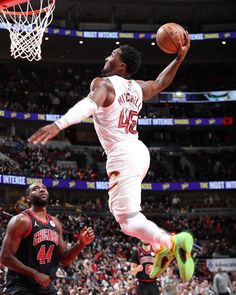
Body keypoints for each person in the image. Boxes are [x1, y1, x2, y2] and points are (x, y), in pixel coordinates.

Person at [28, 37, 194, 281]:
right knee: (129, 216)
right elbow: (160, 82)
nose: (107, 57)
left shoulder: (104, 83)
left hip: (122, 154)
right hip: (138, 151)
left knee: (127, 221)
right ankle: (160, 246)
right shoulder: (137, 87)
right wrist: (178, 59)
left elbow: (90, 104)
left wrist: (59, 124)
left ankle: (170, 241)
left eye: (113, 55)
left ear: (122, 66)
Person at [0, 182, 95, 295]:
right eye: (36, 188)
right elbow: (5, 258)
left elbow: (64, 260)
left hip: (46, 286)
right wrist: (34, 274)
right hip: (21, 286)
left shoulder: (55, 222)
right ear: (28, 198)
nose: (42, 190)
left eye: (44, 188)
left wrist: (81, 243)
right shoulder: (21, 220)